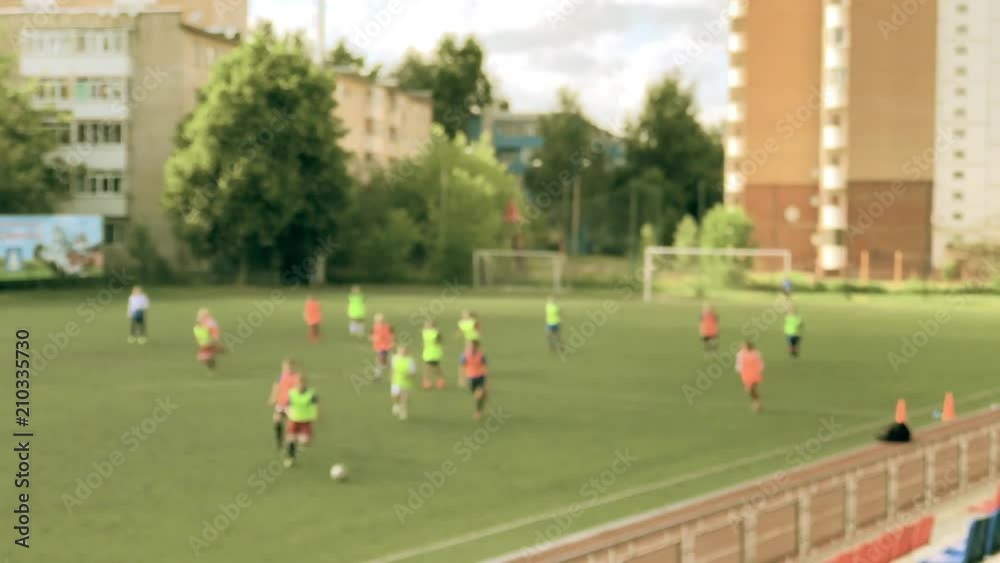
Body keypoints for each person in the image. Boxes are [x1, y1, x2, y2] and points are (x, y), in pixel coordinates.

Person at [284, 375, 319, 468]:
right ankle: (291, 458)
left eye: (301, 383)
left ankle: (300, 441)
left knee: (304, 442)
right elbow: (287, 405)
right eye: (298, 383)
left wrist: (316, 416)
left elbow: (316, 405)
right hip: (294, 420)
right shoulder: (292, 393)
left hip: (306, 421)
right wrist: (288, 413)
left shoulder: (311, 394)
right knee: (290, 439)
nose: (300, 385)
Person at [269, 359, 301, 450]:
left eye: (289, 367)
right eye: (285, 367)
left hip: (291, 405)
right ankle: (279, 441)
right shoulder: (281, 376)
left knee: (291, 426)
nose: (287, 369)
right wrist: (273, 397)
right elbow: (276, 386)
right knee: (277, 420)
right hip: (281, 403)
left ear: (293, 367)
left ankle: (293, 446)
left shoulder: (297, 377)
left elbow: (300, 389)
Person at [459, 340, 489, 421]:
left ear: (476, 347)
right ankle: (483, 395)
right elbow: (461, 366)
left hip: (480, 377)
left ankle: (479, 411)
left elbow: (485, 366)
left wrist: (487, 378)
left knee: (478, 395)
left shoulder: (481, 355)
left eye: (472, 346)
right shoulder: (464, 355)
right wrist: (461, 378)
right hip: (471, 378)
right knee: (476, 394)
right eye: (469, 346)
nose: (471, 348)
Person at [735, 341, 763, 413]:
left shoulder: (755, 353)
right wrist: (739, 370)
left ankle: (756, 403)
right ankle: (756, 401)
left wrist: (759, 370)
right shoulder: (740, 353)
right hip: (746, 373)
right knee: (749, 390)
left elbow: (760, 362)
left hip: (754, 373)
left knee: (751, 388)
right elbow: (739, 362)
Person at [390, 346, 417, 420]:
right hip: (396, 381)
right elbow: (392, 369)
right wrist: (391, 377)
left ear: (407, 352)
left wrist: (409, 375)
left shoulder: (410, 361)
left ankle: (403, 413)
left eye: (404, 351)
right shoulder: (394, 358)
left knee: (404, 398)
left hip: (406, 382)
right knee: (395, 395)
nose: (402, 352)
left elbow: (414, 373)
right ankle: (396, 404)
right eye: (400, 351)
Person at [421, 320, 446, 390]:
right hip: (427, 352)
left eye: (429, 324)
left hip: (434, 352)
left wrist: (436, 342)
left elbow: (440, 341)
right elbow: (424, 340)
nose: (427, 325)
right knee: (433, 366)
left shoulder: (436, 333)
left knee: (430, 366)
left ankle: (427, 381)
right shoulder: (424, 332)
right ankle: (440, 379)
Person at [370, 313, 394, 379]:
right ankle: (391, 373)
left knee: (380, 359)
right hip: (378, 346)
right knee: (384, 360)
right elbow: (371, 335)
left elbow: (392, 334)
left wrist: (391, 341)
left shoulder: (387, 326)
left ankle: (378, 375)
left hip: (385, 346)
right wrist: (374, 338)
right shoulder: (375, 327)